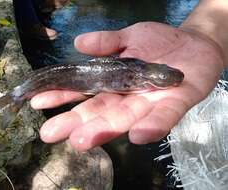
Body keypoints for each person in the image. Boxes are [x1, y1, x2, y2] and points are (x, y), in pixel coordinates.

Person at [30, 0, 228, 151]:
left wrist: (209, 38)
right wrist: (205, 35)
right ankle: (19, 94)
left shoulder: (146, 75)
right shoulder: (142, 76)